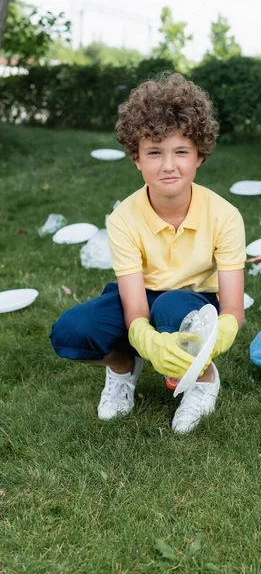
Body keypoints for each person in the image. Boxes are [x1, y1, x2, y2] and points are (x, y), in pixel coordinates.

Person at [50, 72, 246, 433]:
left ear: (200, 155)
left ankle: (204, 378)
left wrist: (218, 337)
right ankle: (123, 366)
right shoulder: (123, 218)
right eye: (154, 152)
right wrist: (146, 341)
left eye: (181, 151)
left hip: (193, 303)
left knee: (172, 307)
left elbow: (234, 306)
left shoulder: (226, 216)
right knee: (70, 331)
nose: (168, 165)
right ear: (136, 158)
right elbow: (136, 307)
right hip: (141, 297)